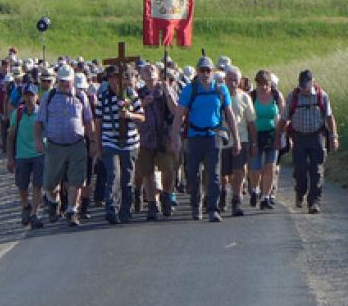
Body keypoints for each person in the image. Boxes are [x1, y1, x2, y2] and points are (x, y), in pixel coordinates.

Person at [171, 56, 241, 222]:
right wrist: (175, 137)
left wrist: (236, 139)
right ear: (197, 72)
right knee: (192, 174)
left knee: (214, 175)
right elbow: (179, 115)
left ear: (213, 72)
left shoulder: (220, 90)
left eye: (208, 70)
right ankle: (196, 206)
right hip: (194, 137)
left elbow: (229, 115)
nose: (205, 74)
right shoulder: (190, 90)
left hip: (213, 136)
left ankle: (212, 209)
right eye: (202, 70)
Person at [34, 64, 95, 227]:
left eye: (67, 81)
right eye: (62, 81)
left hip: (77, 145)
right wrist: (38, 140)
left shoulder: (81, 97)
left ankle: (71, 211)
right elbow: (39, 121)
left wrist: (93, 142)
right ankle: (54, 202)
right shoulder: (49, 96)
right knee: (49, 183)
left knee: (77, 181)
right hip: (54, 146)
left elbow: (88, 121)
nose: (65, 85)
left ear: (73, 81)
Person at [93, 65, 144, 224]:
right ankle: (111, 209)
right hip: (110, 141)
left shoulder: (131, 94)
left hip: (129, 142)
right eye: (112, 78)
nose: (115, 81)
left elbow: (142, 117)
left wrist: (129, 114)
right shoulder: (103, 96)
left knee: (128, 178)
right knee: (113, 175)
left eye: (117, 77)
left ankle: (126, 210)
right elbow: (98, 122)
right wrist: (98, 145)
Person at [286, 70, 339, 214]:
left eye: (306, 86)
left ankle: (314, 202)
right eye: (302, 86)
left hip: (317, 137)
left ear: (312, 83)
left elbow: (329, 117)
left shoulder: (322, 96)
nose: (304, 89)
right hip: (299, 137)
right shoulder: (293, 97)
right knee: (300, 169)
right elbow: (284, 119)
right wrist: (281, 137)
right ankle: (300, 191)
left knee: (317, 171)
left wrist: (334, 136)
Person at [136, 63, 178, 220]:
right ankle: (152, 204)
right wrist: (142, 104)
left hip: (164, 136)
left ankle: (167, 195)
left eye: (152, 69)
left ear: (159, 73)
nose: (149, 71)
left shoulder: (166, 90)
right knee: (147, 172)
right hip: (146, 136)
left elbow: (175, 111)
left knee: (168, 169)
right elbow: (131, 111)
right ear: (142, 76)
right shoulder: (138, 93)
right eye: (146, 70)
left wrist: (168, 94)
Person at [6, 84, 44, 230]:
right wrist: (10, 158)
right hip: (22, 155)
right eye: (27, 95)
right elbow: (10, 136)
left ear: (37, 96)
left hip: (38, 154)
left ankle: (34, 214)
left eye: (32, 95)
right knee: (22, 185)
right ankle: (25, 206)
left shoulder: (41, 113)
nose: (29, 98)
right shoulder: (18, 113)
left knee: (37, 184)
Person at [222, 66, 256, 216]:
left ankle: (236, 199)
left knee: (239, 171)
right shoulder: (218, 96)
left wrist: (253, 143)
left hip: (241, 140)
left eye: (235, 79)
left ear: (240, 81)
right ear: (225, 80)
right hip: (222, 141)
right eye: (229, 79)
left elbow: (251, 122)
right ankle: (222, 193)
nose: (232, 82)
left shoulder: (244, 98)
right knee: (222, 173)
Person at [249, 70, 284, 210]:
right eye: (261, 84)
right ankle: (255, 189)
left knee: (270, 166)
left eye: (267, 84)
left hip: (272, 134)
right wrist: (252, 141)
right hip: (255, 134)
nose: (264, 87)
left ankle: (265, 197)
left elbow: (283, 115)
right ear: (256, 84)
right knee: (255, 168)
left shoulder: (276, 95)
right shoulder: (251, 96)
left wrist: (281, 135)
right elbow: (248, 119)